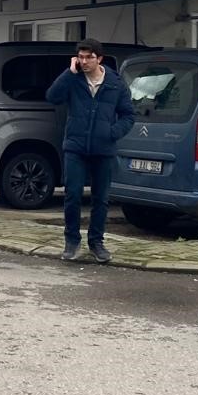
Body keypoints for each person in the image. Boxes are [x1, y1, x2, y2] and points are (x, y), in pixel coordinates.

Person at [46, 39, 135, 264]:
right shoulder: (73, 79)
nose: (84, 62)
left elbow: (128, 115)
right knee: (73, 194)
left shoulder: (115, 83)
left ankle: (97, 242)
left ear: (99, 58)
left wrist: (112, 132)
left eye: (89, 57)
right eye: (81, 57)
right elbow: (52, 97)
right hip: (75, 146)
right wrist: (69, 72)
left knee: (101, 199)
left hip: (103, 148)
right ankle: (71, 241)